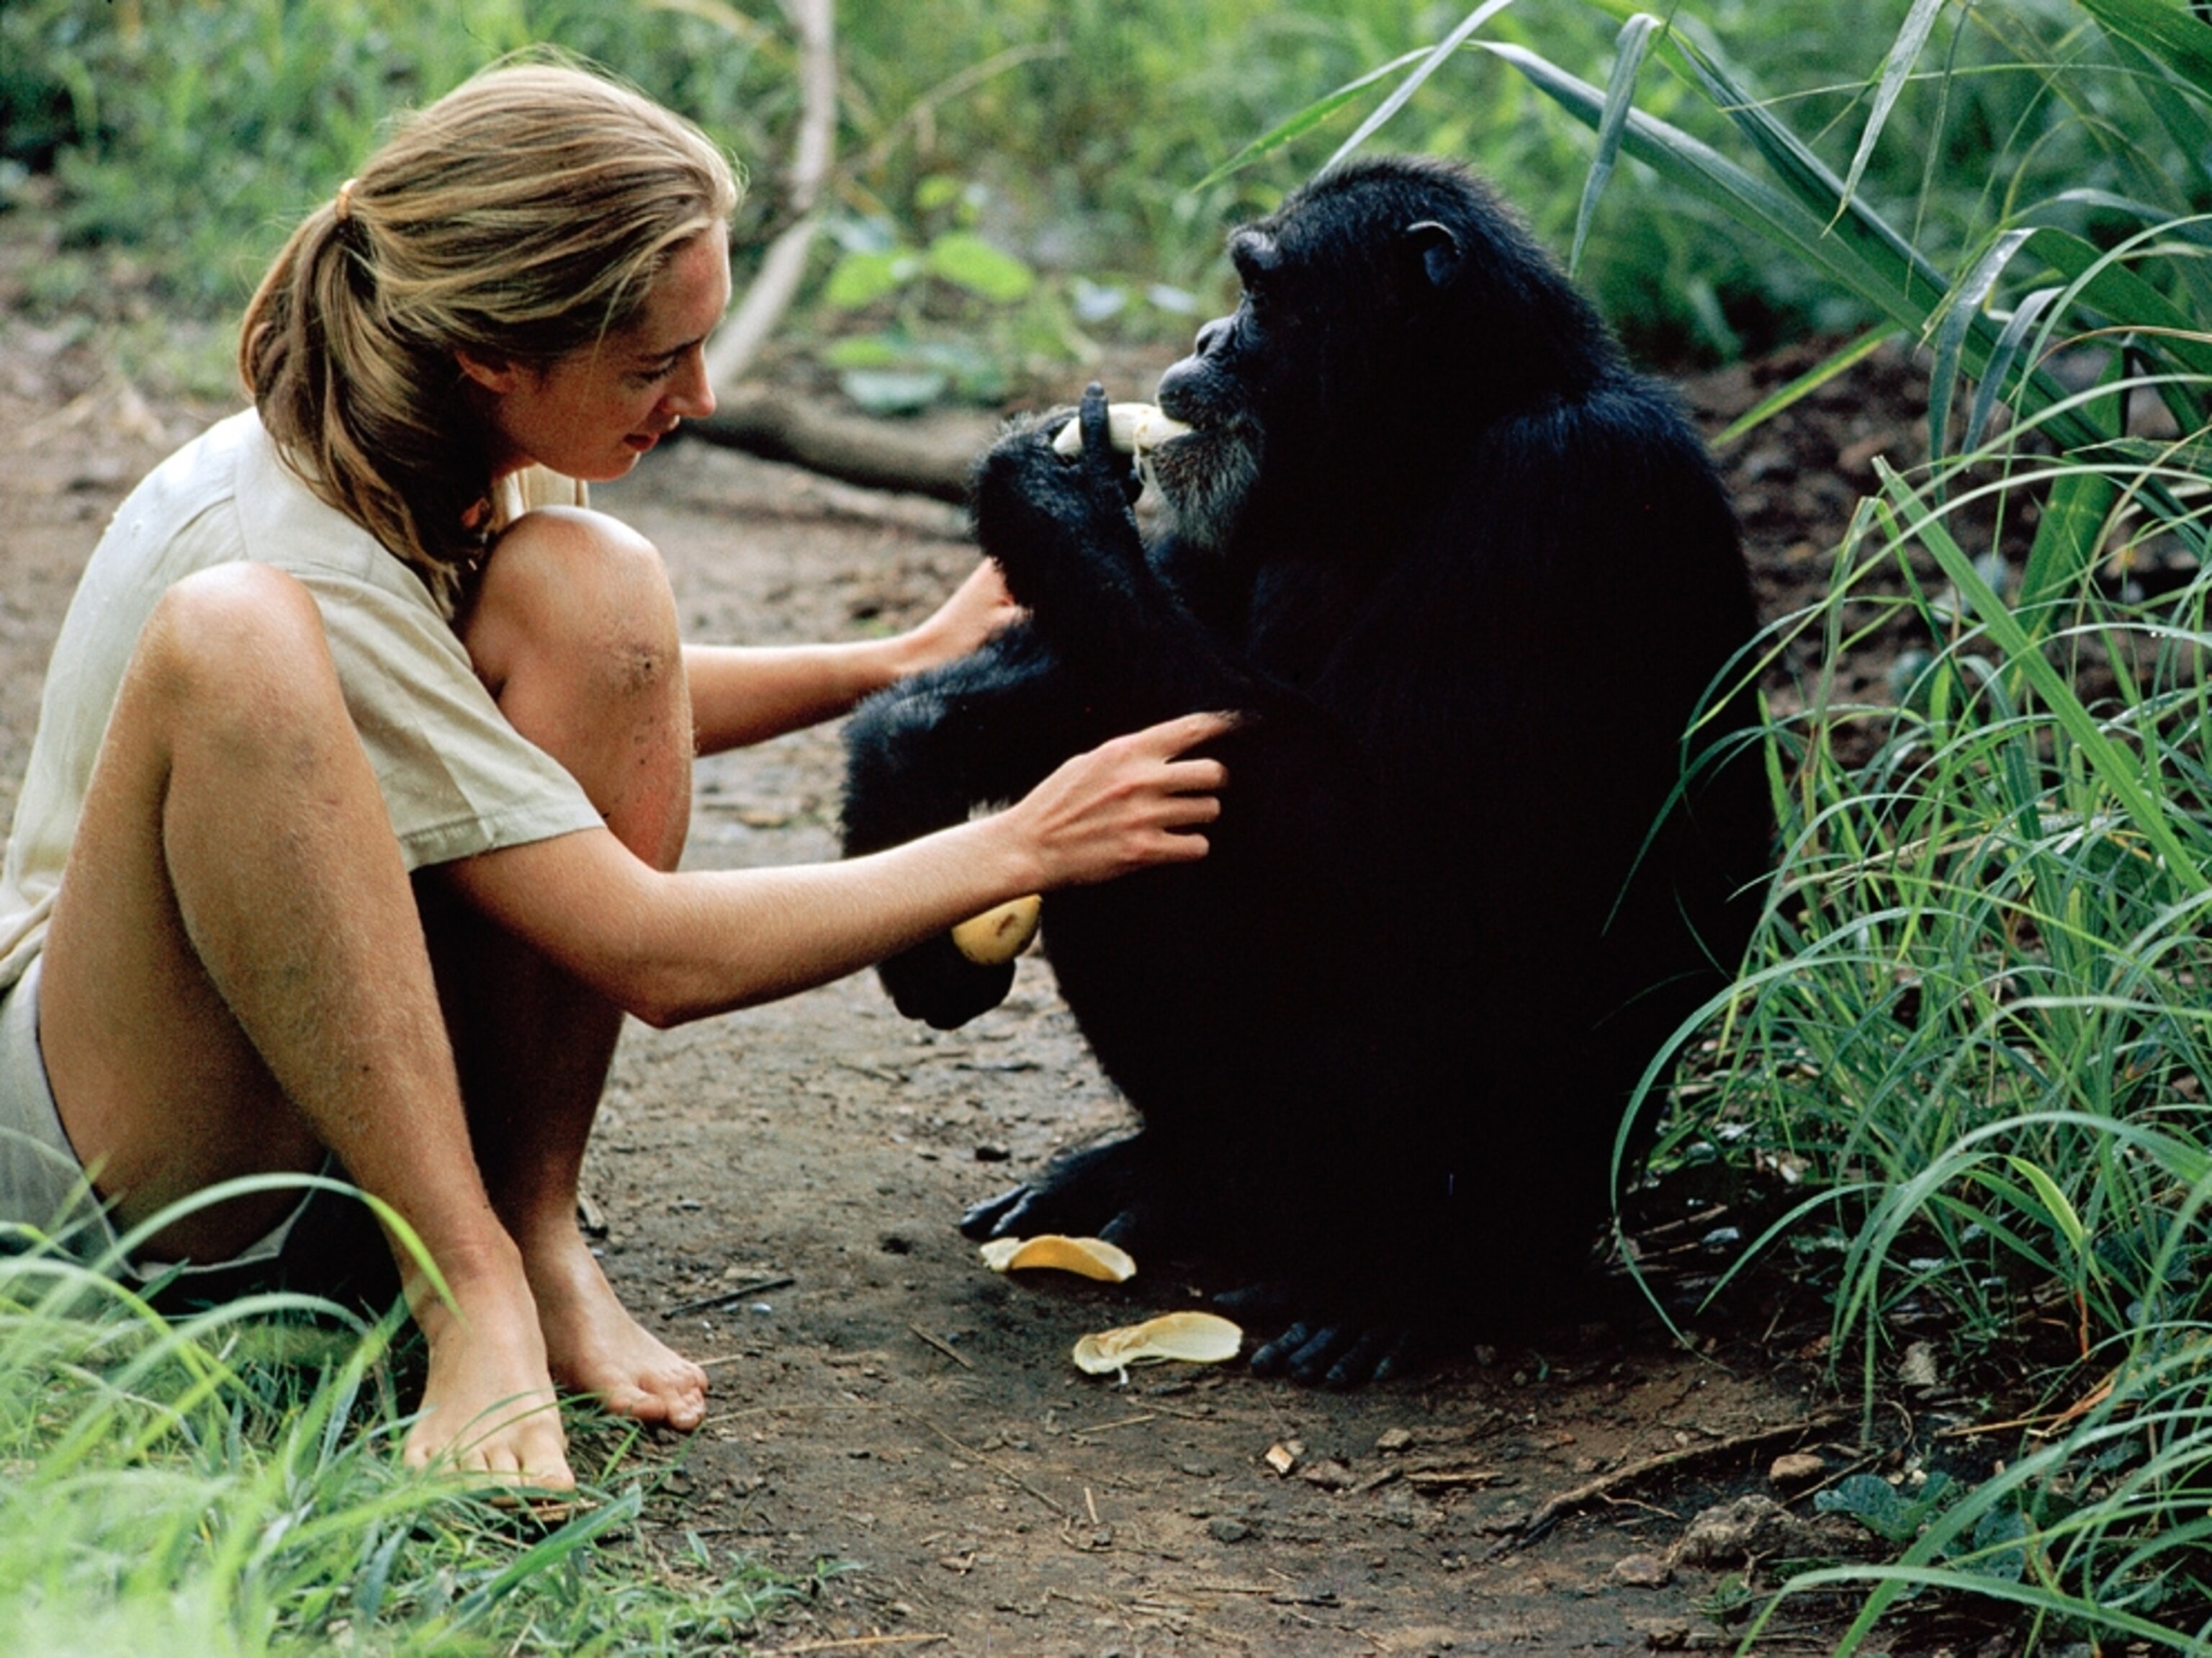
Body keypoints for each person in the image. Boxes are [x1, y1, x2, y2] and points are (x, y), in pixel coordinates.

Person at [0, 59, 1228, 1494]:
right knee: (238, 634)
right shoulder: (288, 552)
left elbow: (488, 727)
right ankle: (467, 1292)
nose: (698, 398)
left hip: (309, 1100)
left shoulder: (477, 435)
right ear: (493, 352)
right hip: (119, 1167)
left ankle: (528, 1224)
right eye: (655, 365)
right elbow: (651, 952)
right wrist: (1024, 842)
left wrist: (894, 658)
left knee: (601, 594)